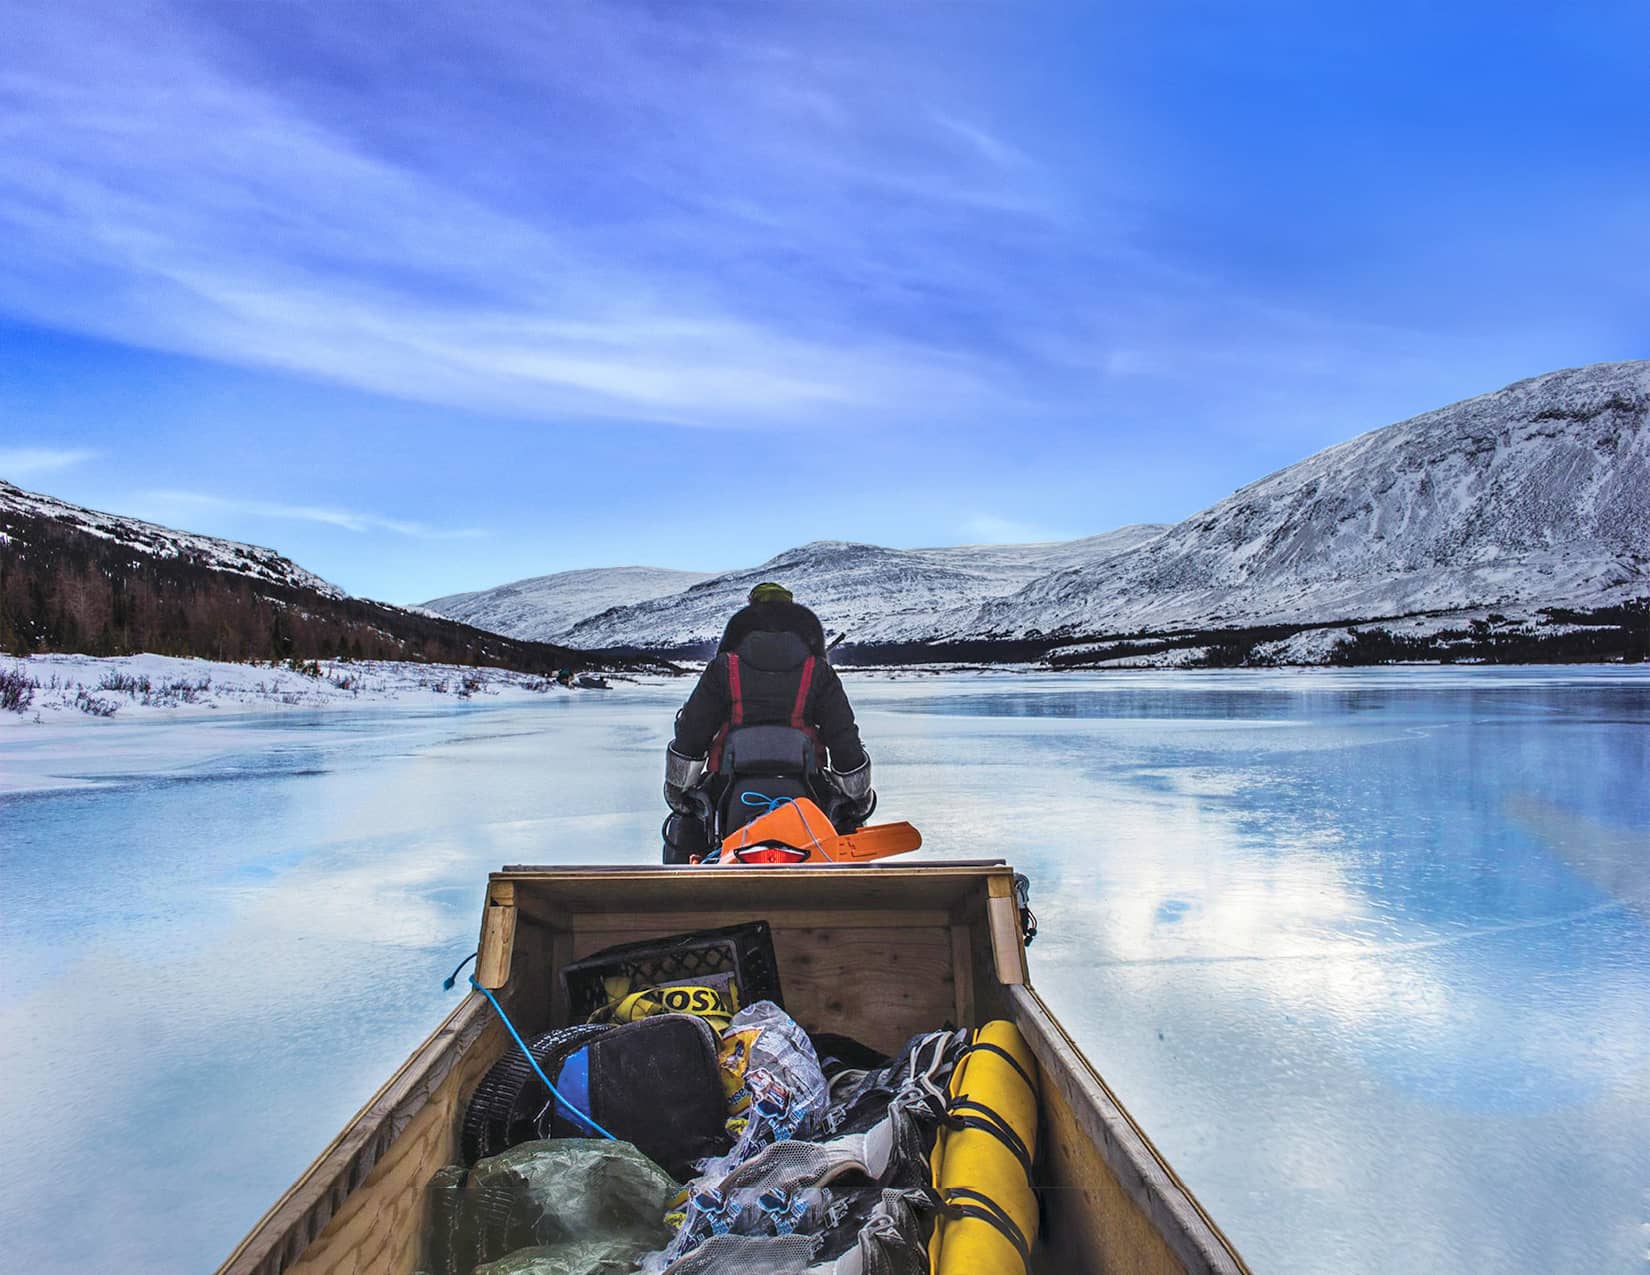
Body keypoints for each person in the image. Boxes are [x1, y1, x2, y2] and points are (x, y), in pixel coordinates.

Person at [662, 582, 874, 863]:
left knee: (688, 820)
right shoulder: (818, 670)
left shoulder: (723, 667)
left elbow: (693, 731)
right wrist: (858, 798)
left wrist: (678, 793)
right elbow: (842, 737)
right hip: (809, 786)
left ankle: (683, 883)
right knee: (846, 821)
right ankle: (854, 884)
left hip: (726, 785)